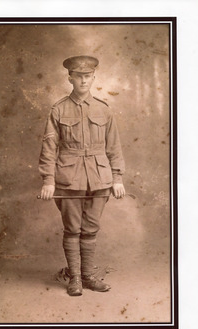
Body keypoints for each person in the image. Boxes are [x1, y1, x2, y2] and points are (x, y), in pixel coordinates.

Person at [39, 55, 125, 296]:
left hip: (100, 178)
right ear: (70, 78)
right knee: (72, 228)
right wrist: (48, 180)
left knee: (91, 228)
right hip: (68, 176)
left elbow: (114, 146)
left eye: (88, 76)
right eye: (79, 76)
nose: (84, 80)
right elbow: (48, 147)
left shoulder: (103, 109)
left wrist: (117, 178)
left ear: (94, 78)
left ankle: (88, 276)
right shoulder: (58, 109)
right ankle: (74, 277)